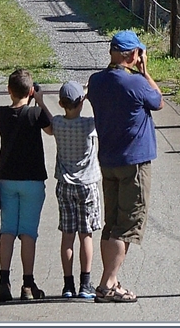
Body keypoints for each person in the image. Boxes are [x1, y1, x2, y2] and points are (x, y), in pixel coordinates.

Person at [86, 30, 163, 303]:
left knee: (111, 224)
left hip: (108, 161)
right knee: (127, 225)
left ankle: (111, 279)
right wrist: (145, 72)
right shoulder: (136, 84)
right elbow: (158, 100)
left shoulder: (95, 82)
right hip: (134, 163)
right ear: (132, 55)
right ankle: (107, 284)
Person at [0, 68, 52, 303]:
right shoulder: (36, 114)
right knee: (28, 233)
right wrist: (39, 101)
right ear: (30, 90)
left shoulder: (0, 114)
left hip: (7, 179)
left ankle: (3, 281)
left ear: (9, 91)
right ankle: (28, 284)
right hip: (32, 180)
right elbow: (51, 129)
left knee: (7, 231)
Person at [44, 79, 103, 300]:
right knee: (85, 235)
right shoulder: (89, 125)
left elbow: (48, 123)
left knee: (67, 236)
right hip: (87, 185)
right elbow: (102, 117)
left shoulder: (58, 124)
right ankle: (85, 284)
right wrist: (90, 94)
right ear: (82, 102)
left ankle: (67, 285)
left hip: (65, 186)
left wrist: (40, 100)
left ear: (60, 103)